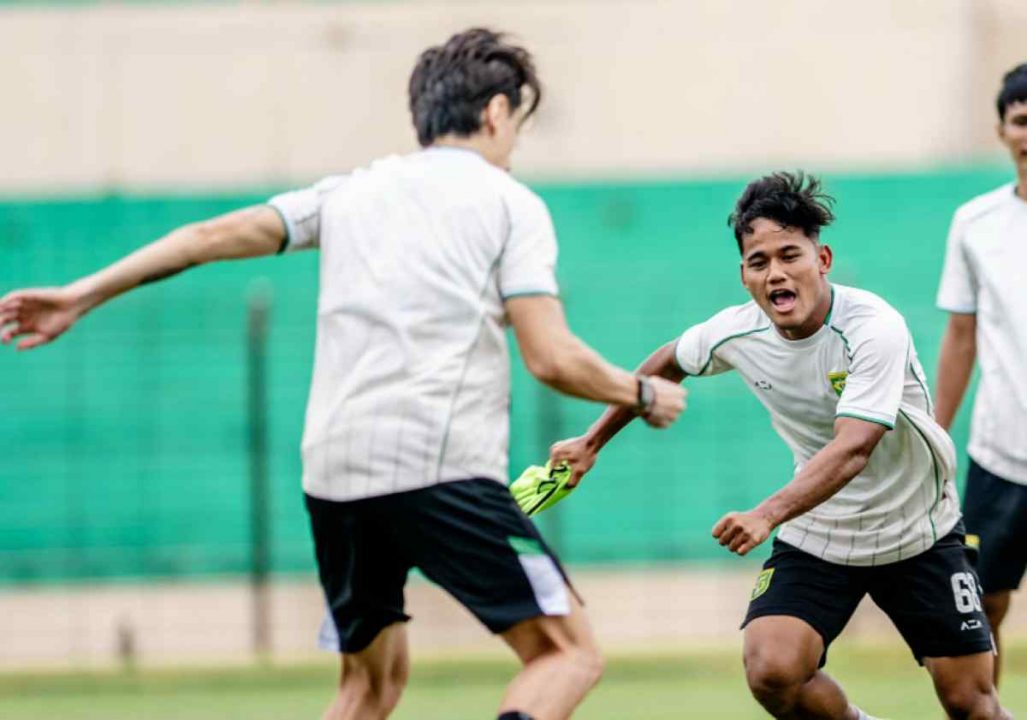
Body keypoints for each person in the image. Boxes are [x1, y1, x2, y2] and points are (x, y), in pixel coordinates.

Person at [0, 28, 686, 720]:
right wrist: (641, 392)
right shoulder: (509, 203)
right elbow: (552, 357)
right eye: (518, 126)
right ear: (498, 112)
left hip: (335, 477)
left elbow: (204, 239)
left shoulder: (350, 193)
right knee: (567, 654)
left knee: (367, 688)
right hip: (439, 469)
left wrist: (79, 293)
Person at [549, 172, 1010, 719]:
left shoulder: (873, 328)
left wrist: (766, 514)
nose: (776, 273)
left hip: (918, 531)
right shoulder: (736, 331)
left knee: (971, 703)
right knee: (771, 670)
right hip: (819, 532)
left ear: (823, 259)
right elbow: (669, 361)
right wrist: (592, 442)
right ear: (743, 274)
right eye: (758, 261)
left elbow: (854, 447)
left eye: (790, 255)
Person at [935, 61, 1027, 687]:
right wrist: (933, 435)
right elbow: (961, 334)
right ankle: (982, 704)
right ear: (1002, 130)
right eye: (1021, 120)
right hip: (1002, 452)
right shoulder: (975, 222)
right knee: (982, 603)